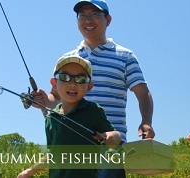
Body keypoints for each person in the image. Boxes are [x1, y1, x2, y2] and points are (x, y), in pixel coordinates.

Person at [31, 0, 155, 177]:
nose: (88, 20)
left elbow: (143, 93)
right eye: (83, 15)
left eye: (94, 15)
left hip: (109, 150)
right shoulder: (67, 59)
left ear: (108, 20)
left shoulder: (125, 56)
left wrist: (146, 122)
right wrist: (43, 101)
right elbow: (56, 99)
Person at [18, 55, 122, 178]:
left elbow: (116, 136)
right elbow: (52, 154)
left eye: (81, 79)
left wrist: (111, 137)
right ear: (54, 83)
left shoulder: (93, 110)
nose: (72, 83)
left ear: (89, 87)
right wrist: (29, 171)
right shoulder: (51, 118)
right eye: (64, 77)